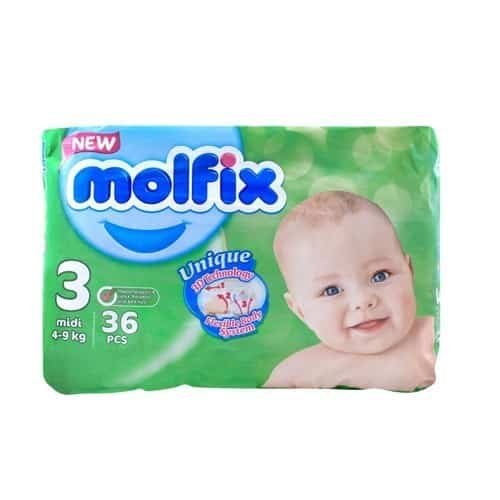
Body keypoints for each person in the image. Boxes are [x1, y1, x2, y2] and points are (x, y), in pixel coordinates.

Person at [264, 191, 436, 390]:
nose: (362, 300)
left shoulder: (432, 337)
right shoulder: (295, 372)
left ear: (409, 271)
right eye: (331, 290)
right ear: (301, 311)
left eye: (380, 275)